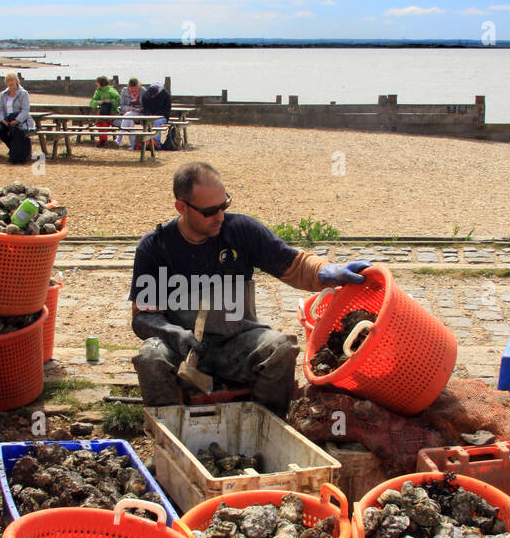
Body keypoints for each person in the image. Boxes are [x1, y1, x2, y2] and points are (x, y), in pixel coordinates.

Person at [130, 162, 372, 415]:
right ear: (181, 207)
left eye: (225, 205)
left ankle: (265, 429)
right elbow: (143, 316)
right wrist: (173, 333)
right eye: (210, 211)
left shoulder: (241, 232)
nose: (220, 217)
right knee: (151, 358)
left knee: (281, 349)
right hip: (182, 349)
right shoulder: (155, 248)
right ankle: (170, 434)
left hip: (237, 343)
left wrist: (328, 272)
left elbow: (295, 265)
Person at [0, 72, 34, 163]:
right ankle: (14, 149)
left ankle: (16, 153)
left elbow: (25, 110)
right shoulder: (3, 94)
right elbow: (0, 109)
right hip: (7, 120)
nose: (10, 82)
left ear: (16, 81)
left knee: (16, 131)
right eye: (8, 80)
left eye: (12, 80)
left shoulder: (23, 93)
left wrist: (16, 120)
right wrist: (3, 120)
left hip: (20, 119)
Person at [90, 75, 120, 146]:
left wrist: (109, 101)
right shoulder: (98, 90)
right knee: (99, 121)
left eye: (97, 82)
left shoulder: (111, 91)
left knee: (104, 122)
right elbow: (92, 102)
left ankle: (103, 140)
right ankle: (102, 140)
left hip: (112, 112)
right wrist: (98, 102)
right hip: (103, 112)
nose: (96, 84)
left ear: (101, 83)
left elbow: (118, 101)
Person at [141, 79, 172, 148]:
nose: (151, 97)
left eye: (153, 96)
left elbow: (167, 110)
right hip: (150, 116)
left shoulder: (165, 95)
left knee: (157, 123)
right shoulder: (146, 95)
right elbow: (145, 108)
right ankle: (146, 142)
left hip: (162, 116)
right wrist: (148, 114)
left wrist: (157, 115)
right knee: (146, 122)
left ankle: (156, 144)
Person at [116, 77, 143, 149]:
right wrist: (129, 108)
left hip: (139, 114)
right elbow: (122, 105)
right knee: (129, 118)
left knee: (128, 116)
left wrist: (139, 109)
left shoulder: (143, 91)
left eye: (135, 89)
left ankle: (119, 139)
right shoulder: (124, 91)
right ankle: (133, 144)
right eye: (131, 89)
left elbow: (146, 106)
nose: (133, 91)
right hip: (127, 113)